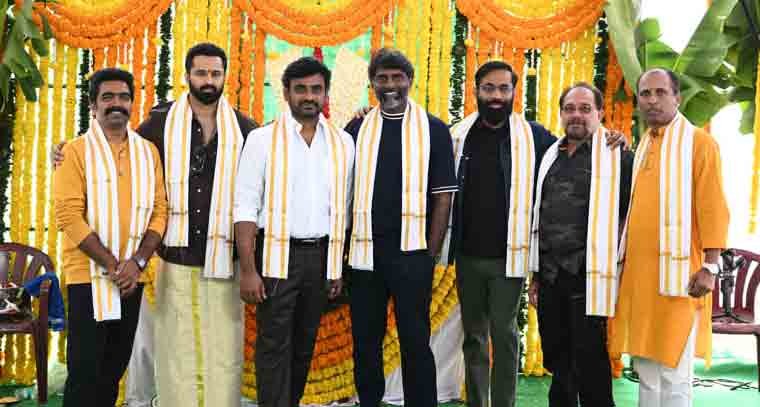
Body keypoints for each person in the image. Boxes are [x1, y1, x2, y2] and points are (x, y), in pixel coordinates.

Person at [53, 42, 258, 407]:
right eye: (200, 72)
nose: (208, 80)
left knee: (221, 351)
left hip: (220, 258)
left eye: (215, 73)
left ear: (225, 77)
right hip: (166, 259)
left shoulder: (244, 128)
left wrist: (136, 263)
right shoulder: (160, 125)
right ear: (187, 76)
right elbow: (106, 148)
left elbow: (258, 183)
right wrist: (65, 150)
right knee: (168, 353)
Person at [234, 56, 354, 407]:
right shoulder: (261, 140)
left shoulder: (343, 143)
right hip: (276, 257)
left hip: (321, 258)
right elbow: (245, 207)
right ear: (286, 93)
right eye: (300, 89)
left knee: (304, 344)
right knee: (273, 345)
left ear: (326, 94)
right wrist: (248, 270)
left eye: (316, 89)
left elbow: (343, 209)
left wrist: (335, 267)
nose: (309, 96)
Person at [610, 68, 730, 407]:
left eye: (660, 92)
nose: (652, 100)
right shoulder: (645, 143)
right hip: (640, 278)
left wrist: (711, 267)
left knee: (674, 370)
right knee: (646, 368)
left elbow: (714, 208)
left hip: (681, 276)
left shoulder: (699, 143)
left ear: (677, 97)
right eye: (645, 93)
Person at [345, 48, 457, 407]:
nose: (390, 84)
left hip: (412, 254)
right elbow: (343, 191)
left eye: (397, 77)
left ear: (410, 80)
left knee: (415, 340)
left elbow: (443, 197)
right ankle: (369, 401)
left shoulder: (434, 129)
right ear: (372, 84)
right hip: (364, 254)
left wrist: (429, 254)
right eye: (382, 78)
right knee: (366, 340)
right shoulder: (357, 128)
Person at [53, 68, 168, 407]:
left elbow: (160, 211)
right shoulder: (74, 152)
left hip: (132, 279)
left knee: (113, 369)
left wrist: (137, 263)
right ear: (93, 105)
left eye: (123, 97)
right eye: (107, 97)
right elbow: (68, 215)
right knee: (85, 371)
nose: (116, 103)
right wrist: (114, 265)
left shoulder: (148, 152)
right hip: (87, 276)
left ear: (132, 103)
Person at [527, 82, 633, 407]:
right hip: (550, 275)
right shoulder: (549, 155)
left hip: (589, 276)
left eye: (585, 109)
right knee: (558, 360)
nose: (577, 115)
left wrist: (617, 268)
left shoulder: (617, 157)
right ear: (561, 114)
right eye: (570, 108)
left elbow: (628, 217)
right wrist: (535, 275)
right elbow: (538, 214)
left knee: (590, 360)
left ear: (600, 114)